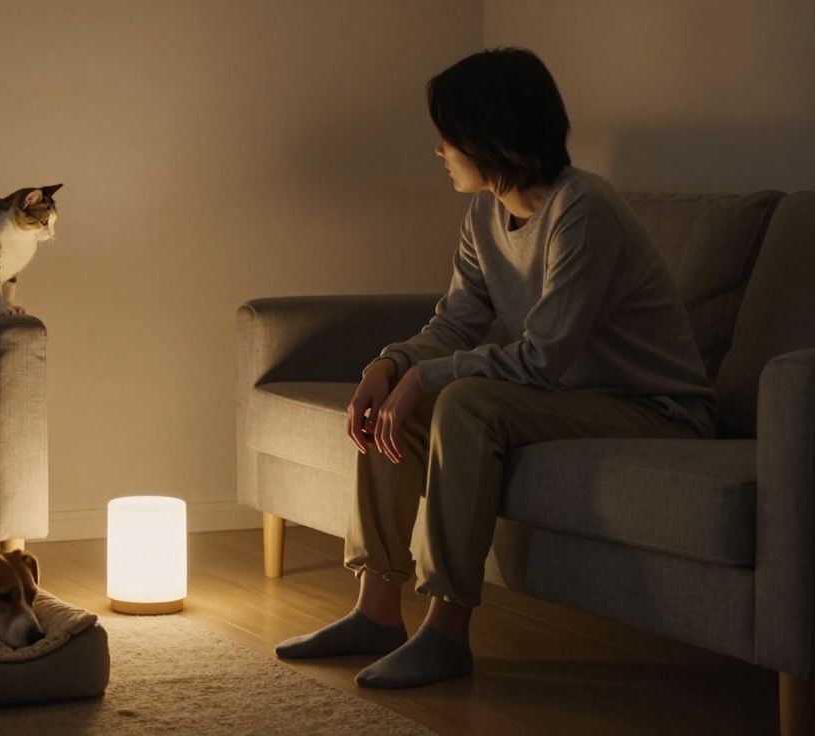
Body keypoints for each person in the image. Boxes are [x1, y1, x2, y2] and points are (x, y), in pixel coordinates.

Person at [273, 47, 716, 689]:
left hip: (654, 409)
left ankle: (447, 633)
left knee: (465, 401)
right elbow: (455, 324)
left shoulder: (583, 210)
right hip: (571, 398)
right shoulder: (484, 214)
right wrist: (390, 366)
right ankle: (376, 613)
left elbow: (542, 355)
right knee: (398, 398)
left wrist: (427, 377)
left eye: (448, 135)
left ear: (490, 137)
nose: (439, 151)